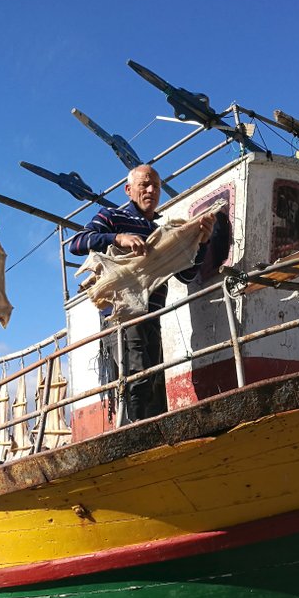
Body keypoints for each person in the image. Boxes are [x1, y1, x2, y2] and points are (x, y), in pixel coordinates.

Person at [69, 164, 214, 421]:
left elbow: (186, 275)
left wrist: (201, 243)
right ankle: (135, 433)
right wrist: (118, 238)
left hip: (153, 314)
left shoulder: (162, 231)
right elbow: (77, 243)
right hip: (122, 314)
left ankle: (153, 435)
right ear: (128, 190)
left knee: (154, 377)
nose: (151, 190)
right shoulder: (112, 216)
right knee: (136, 372)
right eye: (144, 185)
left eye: (156, 186)